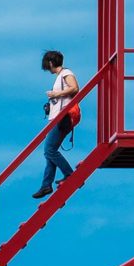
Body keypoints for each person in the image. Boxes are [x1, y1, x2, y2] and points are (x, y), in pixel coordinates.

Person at [34, 50, 78, 200]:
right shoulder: (60, 77)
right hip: (56, 118)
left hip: (61, 118)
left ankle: (69, 174)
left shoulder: (66, 73)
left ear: (51, 63)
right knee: (49, 153)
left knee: (49, 151)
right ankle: (46, 185)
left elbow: (75, 88)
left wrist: (55, 94)